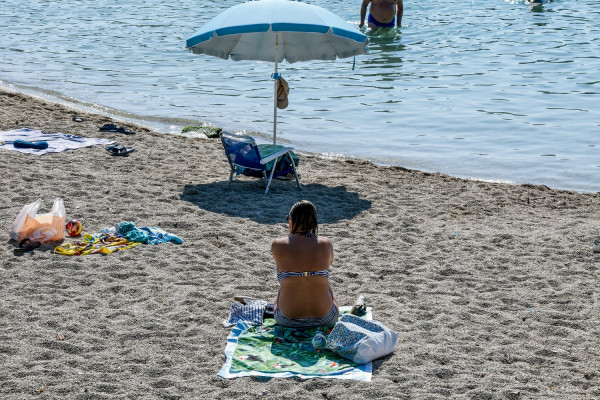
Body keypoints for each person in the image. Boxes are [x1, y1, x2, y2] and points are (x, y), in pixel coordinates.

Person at [271, 200, 339, 328]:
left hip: (287, 321)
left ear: (291, 220)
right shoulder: (325, 243)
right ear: (314, 222)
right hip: (326, 319)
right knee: (323, 280)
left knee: (284, 284)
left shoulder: (278, 244)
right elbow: (329, 262)